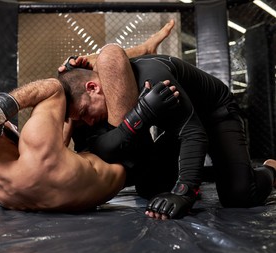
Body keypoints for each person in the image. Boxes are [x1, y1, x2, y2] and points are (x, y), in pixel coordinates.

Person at [58, 43, 276, 220]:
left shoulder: (153, 79)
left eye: (86, 111)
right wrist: (140, 115)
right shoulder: (113, 96)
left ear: (93, 87)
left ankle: (270, 169)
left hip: (215, 114)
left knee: (239, 196)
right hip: (175, 124)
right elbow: (101, 148)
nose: (89, 119)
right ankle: (217, 170)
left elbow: (193, 132)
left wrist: (184, 192)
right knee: (150, 187)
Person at [0, 77, 178, 211]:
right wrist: (2, 105)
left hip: (84, 168)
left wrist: (68, 120)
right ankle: (142, 111)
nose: (12, 125)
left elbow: (54, 155)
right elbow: (54, 87)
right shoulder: (36, 146)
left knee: (75, 92)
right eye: (5, 122)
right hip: (129, 163)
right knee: (109, 58)